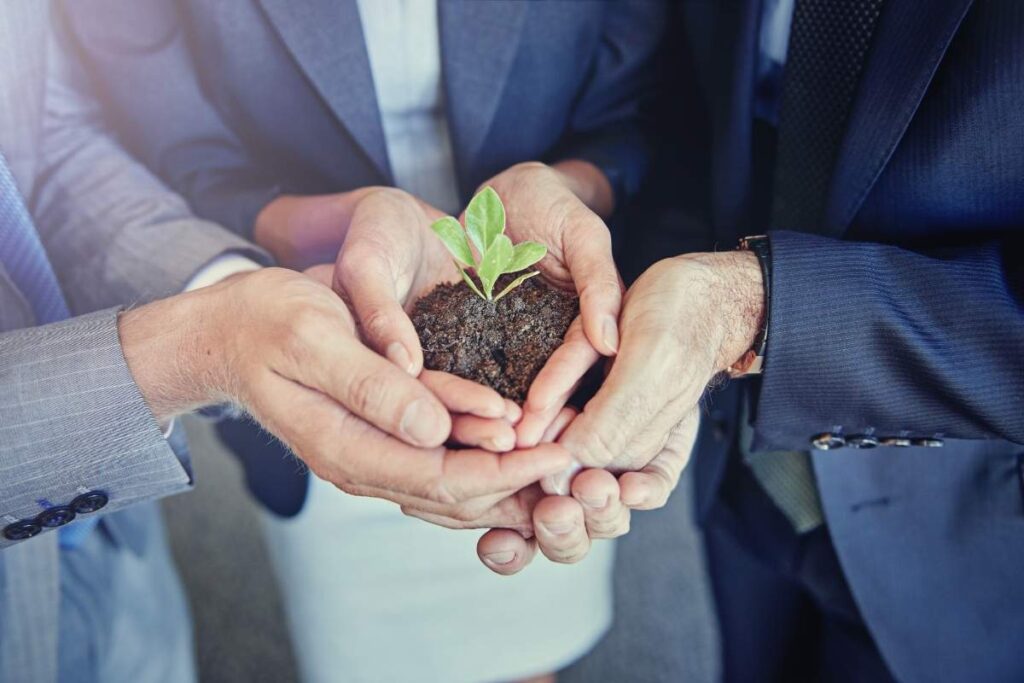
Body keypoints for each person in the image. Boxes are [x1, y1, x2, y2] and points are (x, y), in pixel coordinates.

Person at [61, 1, 674, 681]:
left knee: (524, 644)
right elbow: (167, 146)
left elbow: (639, 113)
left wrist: (566, 192)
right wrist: (338, 232)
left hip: (546, 339)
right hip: (317, 320)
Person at [466, 0, 1024, 681]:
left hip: (970, 519)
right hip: (732, 460)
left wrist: (752, 310)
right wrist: (605, 252)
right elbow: (690, 110)